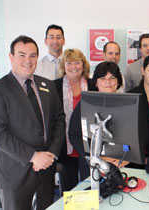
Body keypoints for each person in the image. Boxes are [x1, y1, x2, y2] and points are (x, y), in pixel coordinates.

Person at [0, 35, 65, 210]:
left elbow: (59, 119)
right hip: (15, 171)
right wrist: (33, 156)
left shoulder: (48, 85)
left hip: (46, 167)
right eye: (22, 55)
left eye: (33, 55)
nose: (28, 60)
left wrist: (52, 153)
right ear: (11, 57)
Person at [68, 61, 127, 182]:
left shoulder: (127, 105)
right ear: (96, 82)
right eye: (103, 78)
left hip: (120, 163)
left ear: (118, 82)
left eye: (112, 78)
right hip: (92, 165)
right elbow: (74, 134)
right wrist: (94, 156)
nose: (108, 82)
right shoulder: (85, 104)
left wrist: (124, 157)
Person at [54, 48, 92, 191]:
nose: (74, 67)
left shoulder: (92, 84)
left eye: (77, 62)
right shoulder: (55, 86)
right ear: (63, 66)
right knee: (68, 189)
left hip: (88, 146)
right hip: (65, 146)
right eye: (69, 63)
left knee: (88, 188)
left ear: (83, 65)